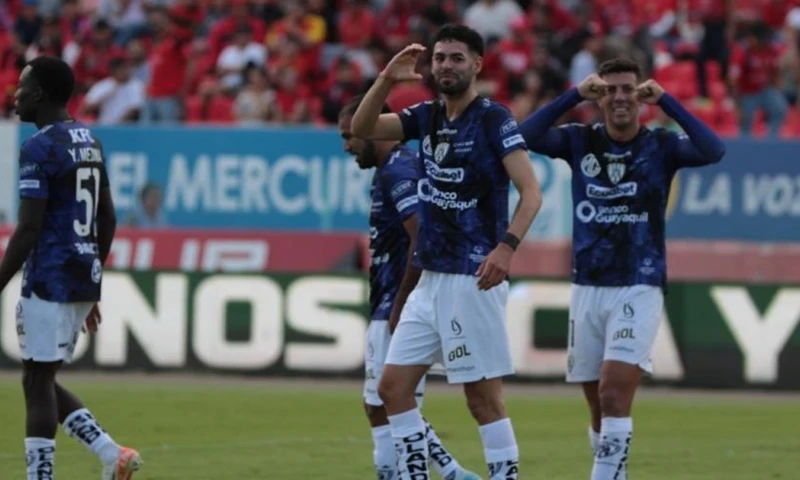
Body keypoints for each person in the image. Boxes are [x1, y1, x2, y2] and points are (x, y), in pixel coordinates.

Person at [351, 24, 543, 480]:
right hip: (430, 277)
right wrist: (385, 80)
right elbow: (362, 128)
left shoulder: (494, 119)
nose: (446, 66)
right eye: (439, 58)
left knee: (482, 399)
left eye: (456, 58)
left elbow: (531, 193)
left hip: (471, 276)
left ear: (476, 64)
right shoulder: (427, 116)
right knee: (392, 389)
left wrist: (506, 248)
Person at [518, 57, 725, 479]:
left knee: (614, 395)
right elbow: (524, 136)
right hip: (588, 285)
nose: (619, 97)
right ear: (600, 97)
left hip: (639, 282)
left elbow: (713, 149)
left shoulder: (661, 146)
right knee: (597, 404)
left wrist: (668, 101)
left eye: (627, 89)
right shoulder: (579, 141)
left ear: (640, 95)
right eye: (610, 89)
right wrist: (575, 94)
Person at [1, 56, 142, 480]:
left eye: (23, 87)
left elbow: (27, 231)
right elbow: (109, 217)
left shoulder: (38, 147)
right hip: (81, 274)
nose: (16, 94)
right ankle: (110, 453)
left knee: (37, 383)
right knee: (38, 376)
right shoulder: (90, 139)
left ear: (40, 94)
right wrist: (92, 281)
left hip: (49, 277)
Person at [339, 93, 480, 480]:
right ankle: (452, 472)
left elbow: (422, 235)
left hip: (396, 302)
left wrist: (402, 301)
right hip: (394, 299)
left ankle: (417, 473)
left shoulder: (399, 171)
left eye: (350, 135)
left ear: (374, 130)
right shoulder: (398, 167)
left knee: (386, 405)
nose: (347, 146)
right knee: (386, 402)